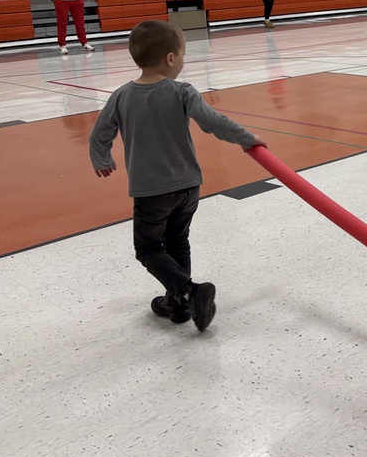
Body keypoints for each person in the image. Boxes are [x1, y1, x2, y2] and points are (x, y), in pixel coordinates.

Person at [88, 20, 266, 331]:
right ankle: (179, 301)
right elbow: (213, 121)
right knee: (177, 240)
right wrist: (247, 139)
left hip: (151, 192)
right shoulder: (181, 91)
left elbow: (99, 134)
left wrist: (102, 158)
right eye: (182, 55)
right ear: (171, 58)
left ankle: (189, 292)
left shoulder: (121, 96)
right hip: (188, 187)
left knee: (149, 248)